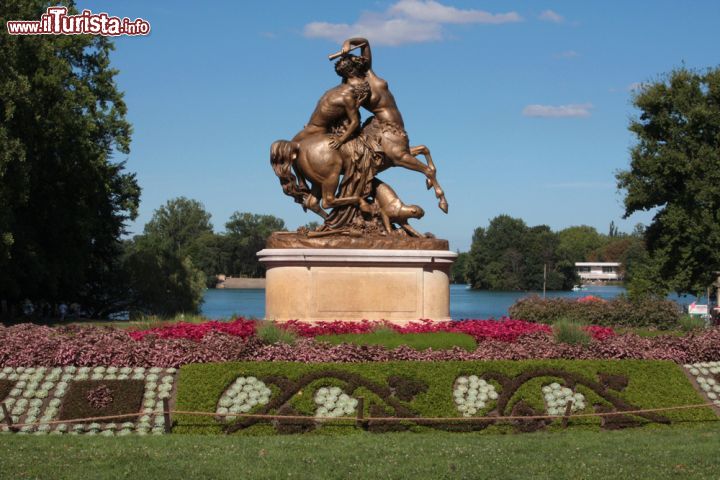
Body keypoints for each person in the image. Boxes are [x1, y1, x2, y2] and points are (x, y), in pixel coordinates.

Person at [337, 38, 448, 212]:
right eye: (347, 71)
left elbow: (365, 43)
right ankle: (438, 191)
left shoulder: (368, 72)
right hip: (384, 126)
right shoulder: (353, 89)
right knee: (398, 157)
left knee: (418, 150)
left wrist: (348, 42)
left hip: (396, 126)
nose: (351, 71)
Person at [291, 55, 371, 149]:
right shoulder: (347, 96)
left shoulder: (339, 90)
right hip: (315, 128)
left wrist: (341, 139)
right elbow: (355, 121)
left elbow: (355, 122)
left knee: (292, 144)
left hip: (315, 128)